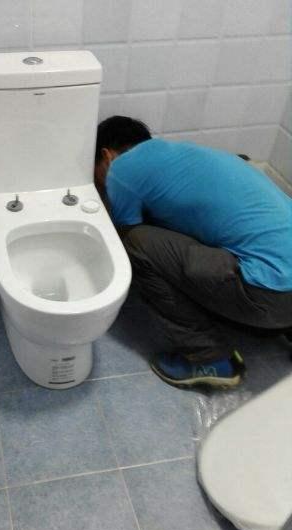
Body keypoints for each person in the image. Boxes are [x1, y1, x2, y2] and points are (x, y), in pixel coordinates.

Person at [94, 116, 292, 388]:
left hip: (270, 294)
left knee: (134, 244)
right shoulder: (195, 156)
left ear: (106, 156)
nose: (101, 185)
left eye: (97, 176)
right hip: (282, 284)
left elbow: (124, 230)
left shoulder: (121, 168)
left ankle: (208, 356)